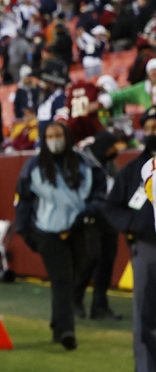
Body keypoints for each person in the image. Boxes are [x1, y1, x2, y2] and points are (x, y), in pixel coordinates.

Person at [15, 121, 105, 350]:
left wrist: (89, 212)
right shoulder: (33, 167)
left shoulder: (86, 164)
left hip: (79, 228)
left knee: (74, 277)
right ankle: (66, 331)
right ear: (44, 140)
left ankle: (58, 323)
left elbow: (99, 191)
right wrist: (24, 230)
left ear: (67, 137)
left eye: (59, 135)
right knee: (62, 279)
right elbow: (23, 200)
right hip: (48, 230)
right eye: (50, 135)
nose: (55, 139)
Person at [100, 107, 156, 372]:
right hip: (147, 248)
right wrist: (132, 225)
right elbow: (112, 207)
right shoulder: (134, 170)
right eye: (148, 126)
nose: (152, 131)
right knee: (144, 318)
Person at [75, 131, 123, 320]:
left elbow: (118, 185)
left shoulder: (110, 165)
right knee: (90, 259)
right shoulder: (83, 163)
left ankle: (100, 305)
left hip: (109, 217)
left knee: (107, 261)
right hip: (90, 217)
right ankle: (75, 300)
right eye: (111, 147)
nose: (114, 151)